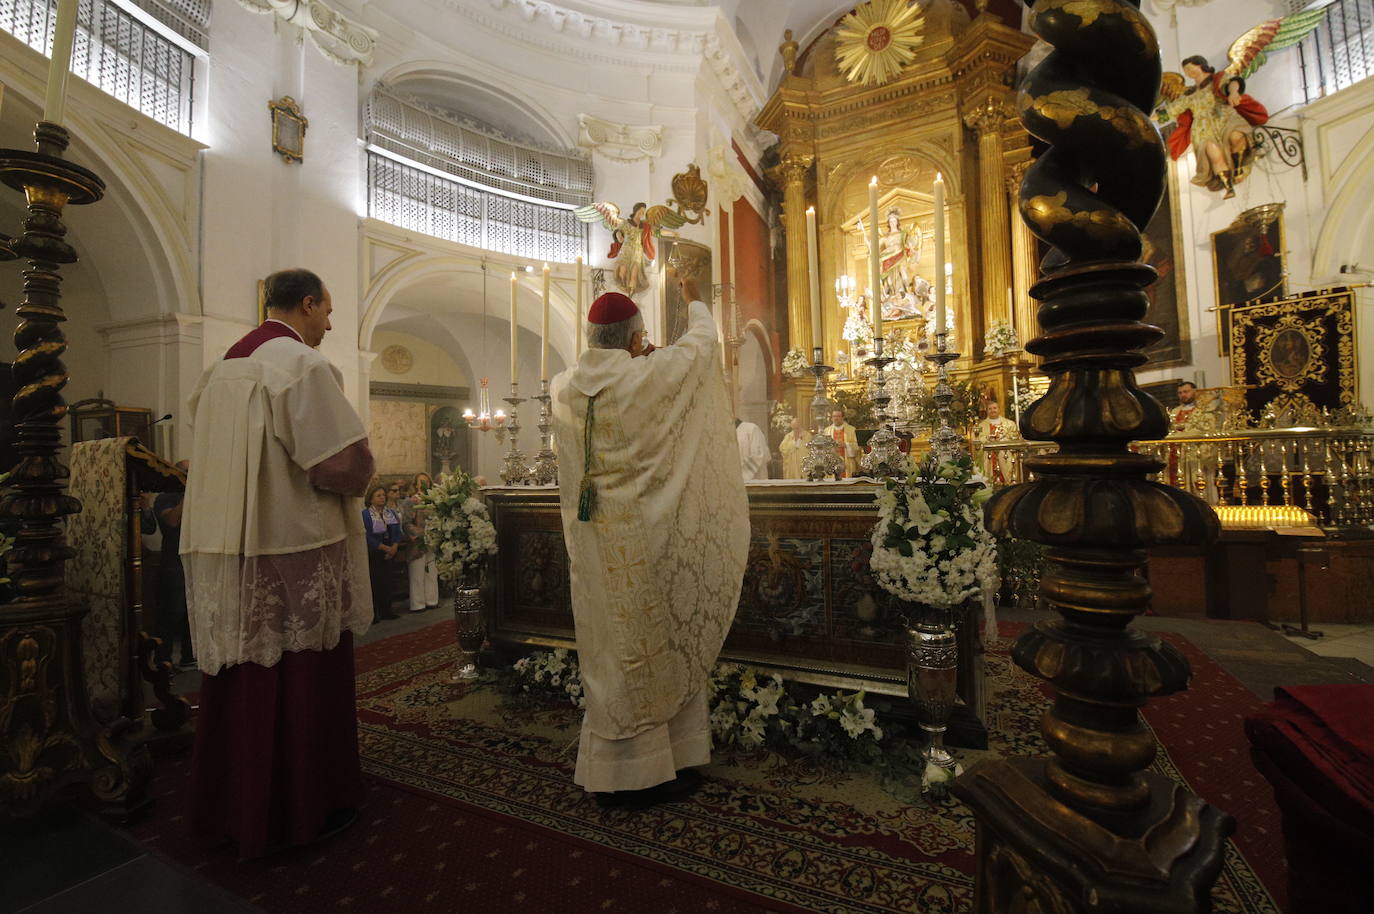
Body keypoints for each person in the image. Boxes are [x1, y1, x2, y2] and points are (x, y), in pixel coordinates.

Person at [181, 267, 375, 859]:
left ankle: (233, 805)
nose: (330, 325)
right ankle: (302, 805)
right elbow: (343, 463)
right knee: (300, 673)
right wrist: (362, 475)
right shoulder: (301, 365)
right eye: (328, 311)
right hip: (292, 545)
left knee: (242, 672)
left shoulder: (220, 368)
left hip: (231, 548)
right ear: (308, 304)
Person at [551, 278, 748, 809]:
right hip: (647, 542)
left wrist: (641, 357)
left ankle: (630, 764)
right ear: (636, 338)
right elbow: (701, 346)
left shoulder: (563, 386)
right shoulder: (647, 374)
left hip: (594, 545)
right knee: (656, 645)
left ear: (591, 337)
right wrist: (695, 300)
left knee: (608, 651)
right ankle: (648, 771)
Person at [1156, 56, 1268, 199]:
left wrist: (1233, 92)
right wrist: (1145, 117)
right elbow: (1170, 110)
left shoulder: (1217, 80)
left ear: (1201, 65)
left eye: (1190, 68)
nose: (1188, 72)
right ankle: (1228, 187)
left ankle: (1239, 167)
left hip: (1224, 117)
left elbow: (1233, 82)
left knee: (1236, 136)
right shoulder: (1189, 94)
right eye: (1186, 71)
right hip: (1203, 128)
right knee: (1215, 156)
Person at [154, 460, 195, 670]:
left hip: (194, 560)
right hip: (173, 563)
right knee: (172, 612)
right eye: (187, 472)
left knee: (193, 612)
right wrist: (188, 494)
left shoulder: (200, 498)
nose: (191, 475)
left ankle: (189, 656)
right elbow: (171, 521)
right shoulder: (165, 498)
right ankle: (163, 659)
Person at [364, 484, 403, 622]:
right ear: (371, 498)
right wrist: (384, 548)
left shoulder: (389, 512)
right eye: (378, 495)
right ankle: (375, 613)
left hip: (390, 551)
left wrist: (394, 546)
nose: (382, 498)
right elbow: (367, 536)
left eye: (383, 495)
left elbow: (396, 531)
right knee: (376, 582)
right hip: (375, 552)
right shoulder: (366, 514)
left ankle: (387, 610)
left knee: (388, 581)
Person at [402, 472, 439, 612]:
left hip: (432, 540)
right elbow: (406, 523)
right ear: (416, 484)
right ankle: (418, 603)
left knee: (432, 572)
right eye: (421, 481)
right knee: (417, 573)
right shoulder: (411, 501)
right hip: (417, 542)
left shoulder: (434, 500)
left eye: (426, 481)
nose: (424, 483)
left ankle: (431, 600)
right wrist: (420, 534)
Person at [973, 401, 1017, 486]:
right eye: (990, 409)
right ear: (987, 411)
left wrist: (1002, 437)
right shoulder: (981, 426)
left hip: (1005, 452)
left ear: (999, 409)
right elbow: (977, 440)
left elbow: (1014, 437)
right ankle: (990, 484)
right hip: (988, 454)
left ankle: (1008, 482)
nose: (992, 410)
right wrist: (989, 437)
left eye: (995, 408)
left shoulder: (1009, 424)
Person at [824, 408, 860, 478]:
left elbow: (857, 446)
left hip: (847, 462)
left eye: (838, 416)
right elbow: (824, 448)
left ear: (843, 417)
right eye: (834, 416)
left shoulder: (851, 429)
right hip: (832, 462)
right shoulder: (827, 431)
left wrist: (846, 445)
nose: (836, 418)